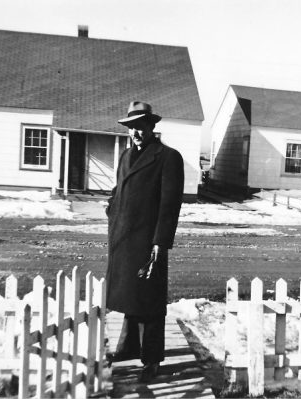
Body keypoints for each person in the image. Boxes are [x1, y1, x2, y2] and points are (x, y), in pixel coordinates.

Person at [105, 101, 184, 383]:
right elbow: (118, 188)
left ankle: (151, 359)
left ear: (152, 126)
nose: (135, 133)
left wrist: (160, 243)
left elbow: (170, 204)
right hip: (123, 238)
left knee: (149, 302)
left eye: (140, 126)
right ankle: (128, 347)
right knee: (129, 295)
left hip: (149, 241)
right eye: (131, 128)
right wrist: (112, 210)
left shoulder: (168, 157)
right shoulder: (126, 155)